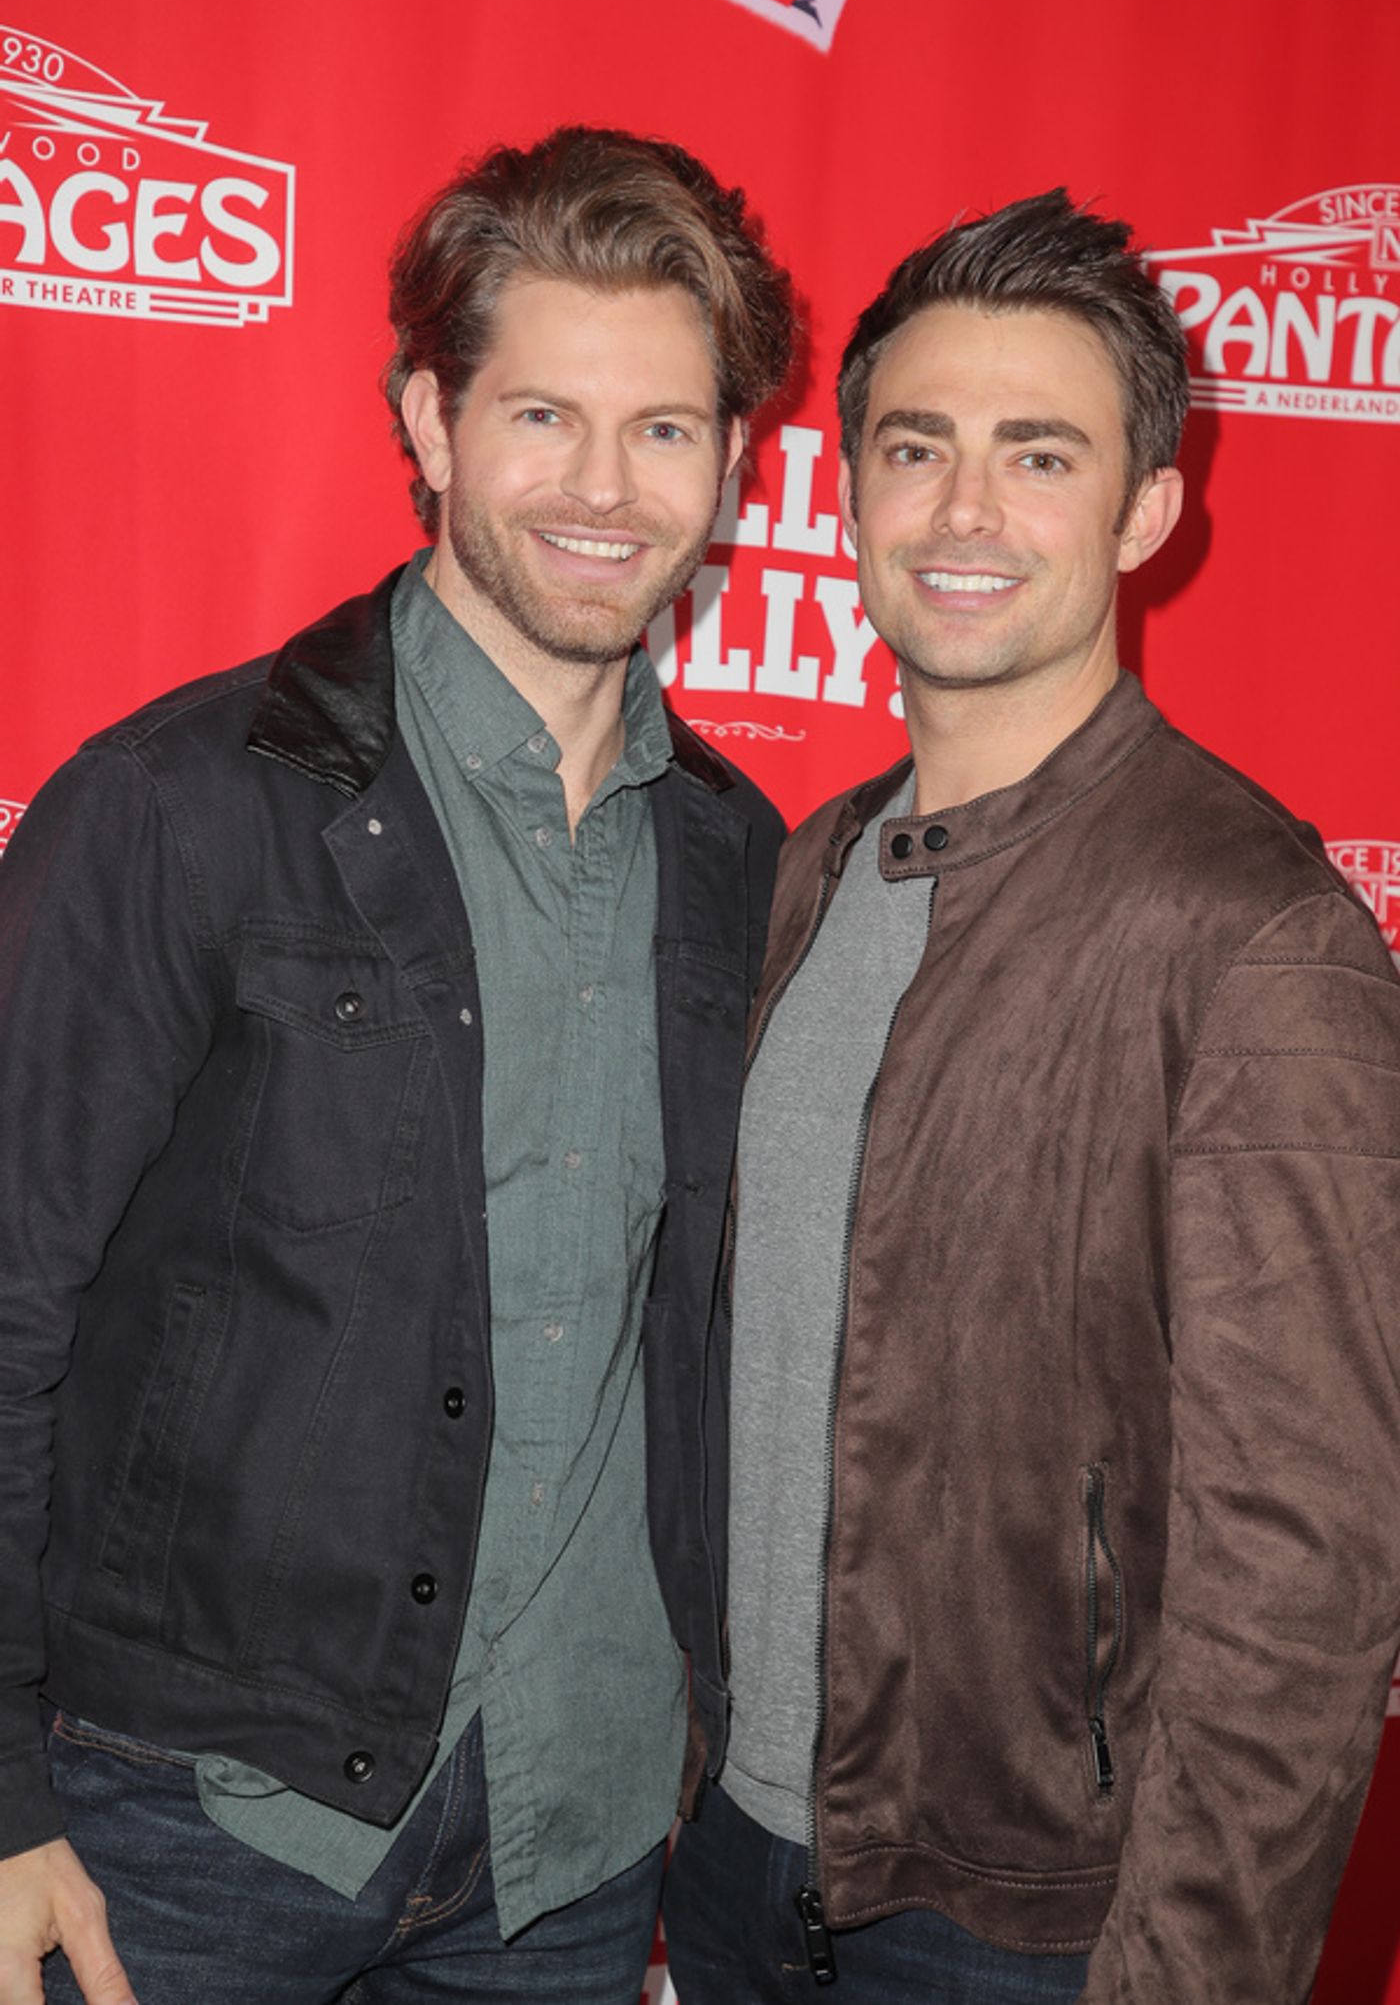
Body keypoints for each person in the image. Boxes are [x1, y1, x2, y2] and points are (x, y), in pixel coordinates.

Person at [0, 125, 791, 2005]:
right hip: (187, 1828)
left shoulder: (747, 862)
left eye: (666, 430)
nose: (604, 489)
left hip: (575, 1849)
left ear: (738, 466)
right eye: (541, 417)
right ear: (428, 422)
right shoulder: (182, 811)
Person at [662, 189, 1400, 2003]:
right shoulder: (812, 865)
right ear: (844, 498)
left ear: (1149, 510)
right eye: (918, 450)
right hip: (736, 1868)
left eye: (1039, 454)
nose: (966, 512)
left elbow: (1306, 1570)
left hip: (1035, 1930)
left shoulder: (1257, 935)